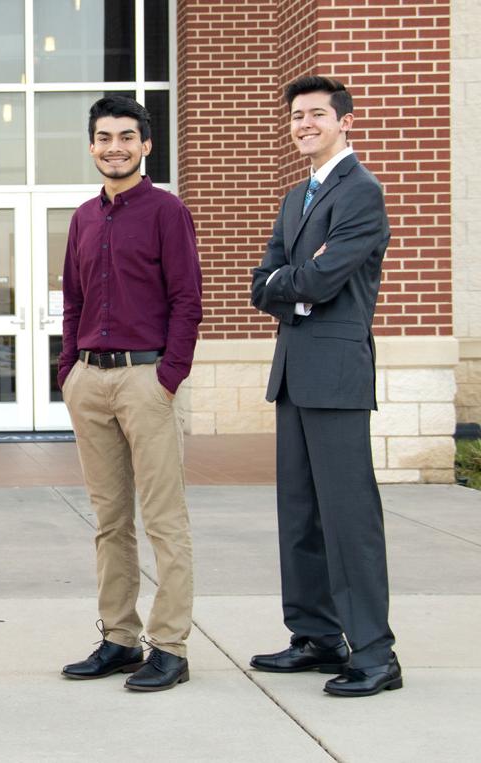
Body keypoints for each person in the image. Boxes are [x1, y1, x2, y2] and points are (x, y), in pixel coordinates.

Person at [250, 76, 399, 697]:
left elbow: (320, 281)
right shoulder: (297, 196)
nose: (304, 123)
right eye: (297, 115)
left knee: (348, 517)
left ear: (344, 121)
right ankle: (316, 636)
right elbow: (265, 282)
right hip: (294, 374)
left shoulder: (360, 192)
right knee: (301, 515)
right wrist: (295, 282)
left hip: (336, 375)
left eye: (316, 114)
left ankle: (374, 654)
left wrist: (296, 283)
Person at [57, 95, 203, 692]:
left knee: (165, 520)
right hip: (90, 382)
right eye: (103, 137)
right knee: (110, 520)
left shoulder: (167, 212)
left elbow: (187, 301)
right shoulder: (83, 219)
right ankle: (119, 638)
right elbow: (72, 301)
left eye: (125, 136)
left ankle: (170, 645)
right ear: (92, 146)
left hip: (147, 380)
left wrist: (168, 376)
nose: (113, 146)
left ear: (146, 145)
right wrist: (69, 369)